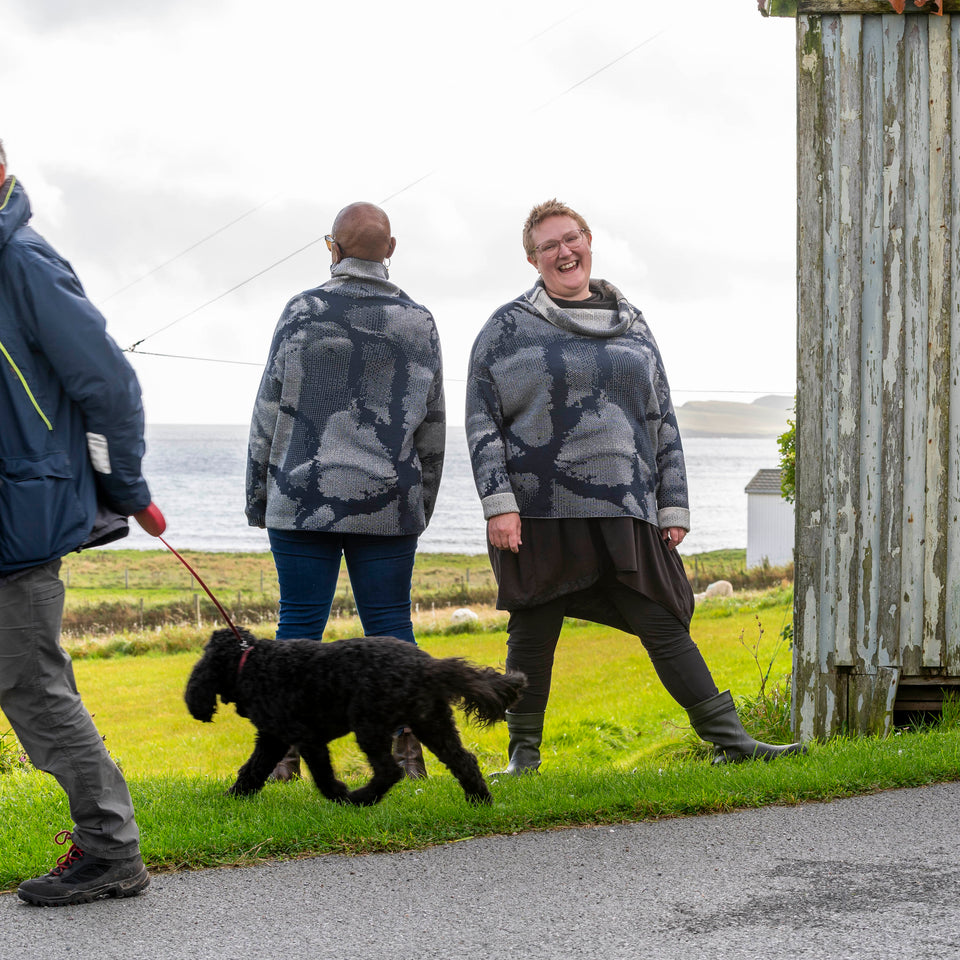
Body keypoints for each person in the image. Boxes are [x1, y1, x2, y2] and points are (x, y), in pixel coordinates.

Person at [465, 198, 804, 774]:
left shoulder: (633, 322)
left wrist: (672, 503)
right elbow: (481, 421)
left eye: (571, 238)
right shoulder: (506, 327)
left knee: (662, 620)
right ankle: (523, 758)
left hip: (625, 507)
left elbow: (662, 418)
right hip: (539, 509)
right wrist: (499, 505)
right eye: (549, 245)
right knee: (532, 635)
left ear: (589, 240)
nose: (564, 252)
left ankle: (731, 741)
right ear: (532, 259)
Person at [0, 140, 157, 906]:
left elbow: (111, 387)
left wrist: (123, 486)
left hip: (18, 520)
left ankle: (110, 850)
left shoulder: (24, 261)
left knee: (32, 686)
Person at [246, 201, 444, 781]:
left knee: (297, 630)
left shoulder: (302, 311)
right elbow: (431, 424)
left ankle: (282, 758)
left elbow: (268, 407)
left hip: (302, 497)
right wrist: (420, 502)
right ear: (390, 249)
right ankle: (409, 755)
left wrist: (261, 495)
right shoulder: (419, 320)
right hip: (390, 502)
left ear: (331, 248)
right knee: (391, 631)